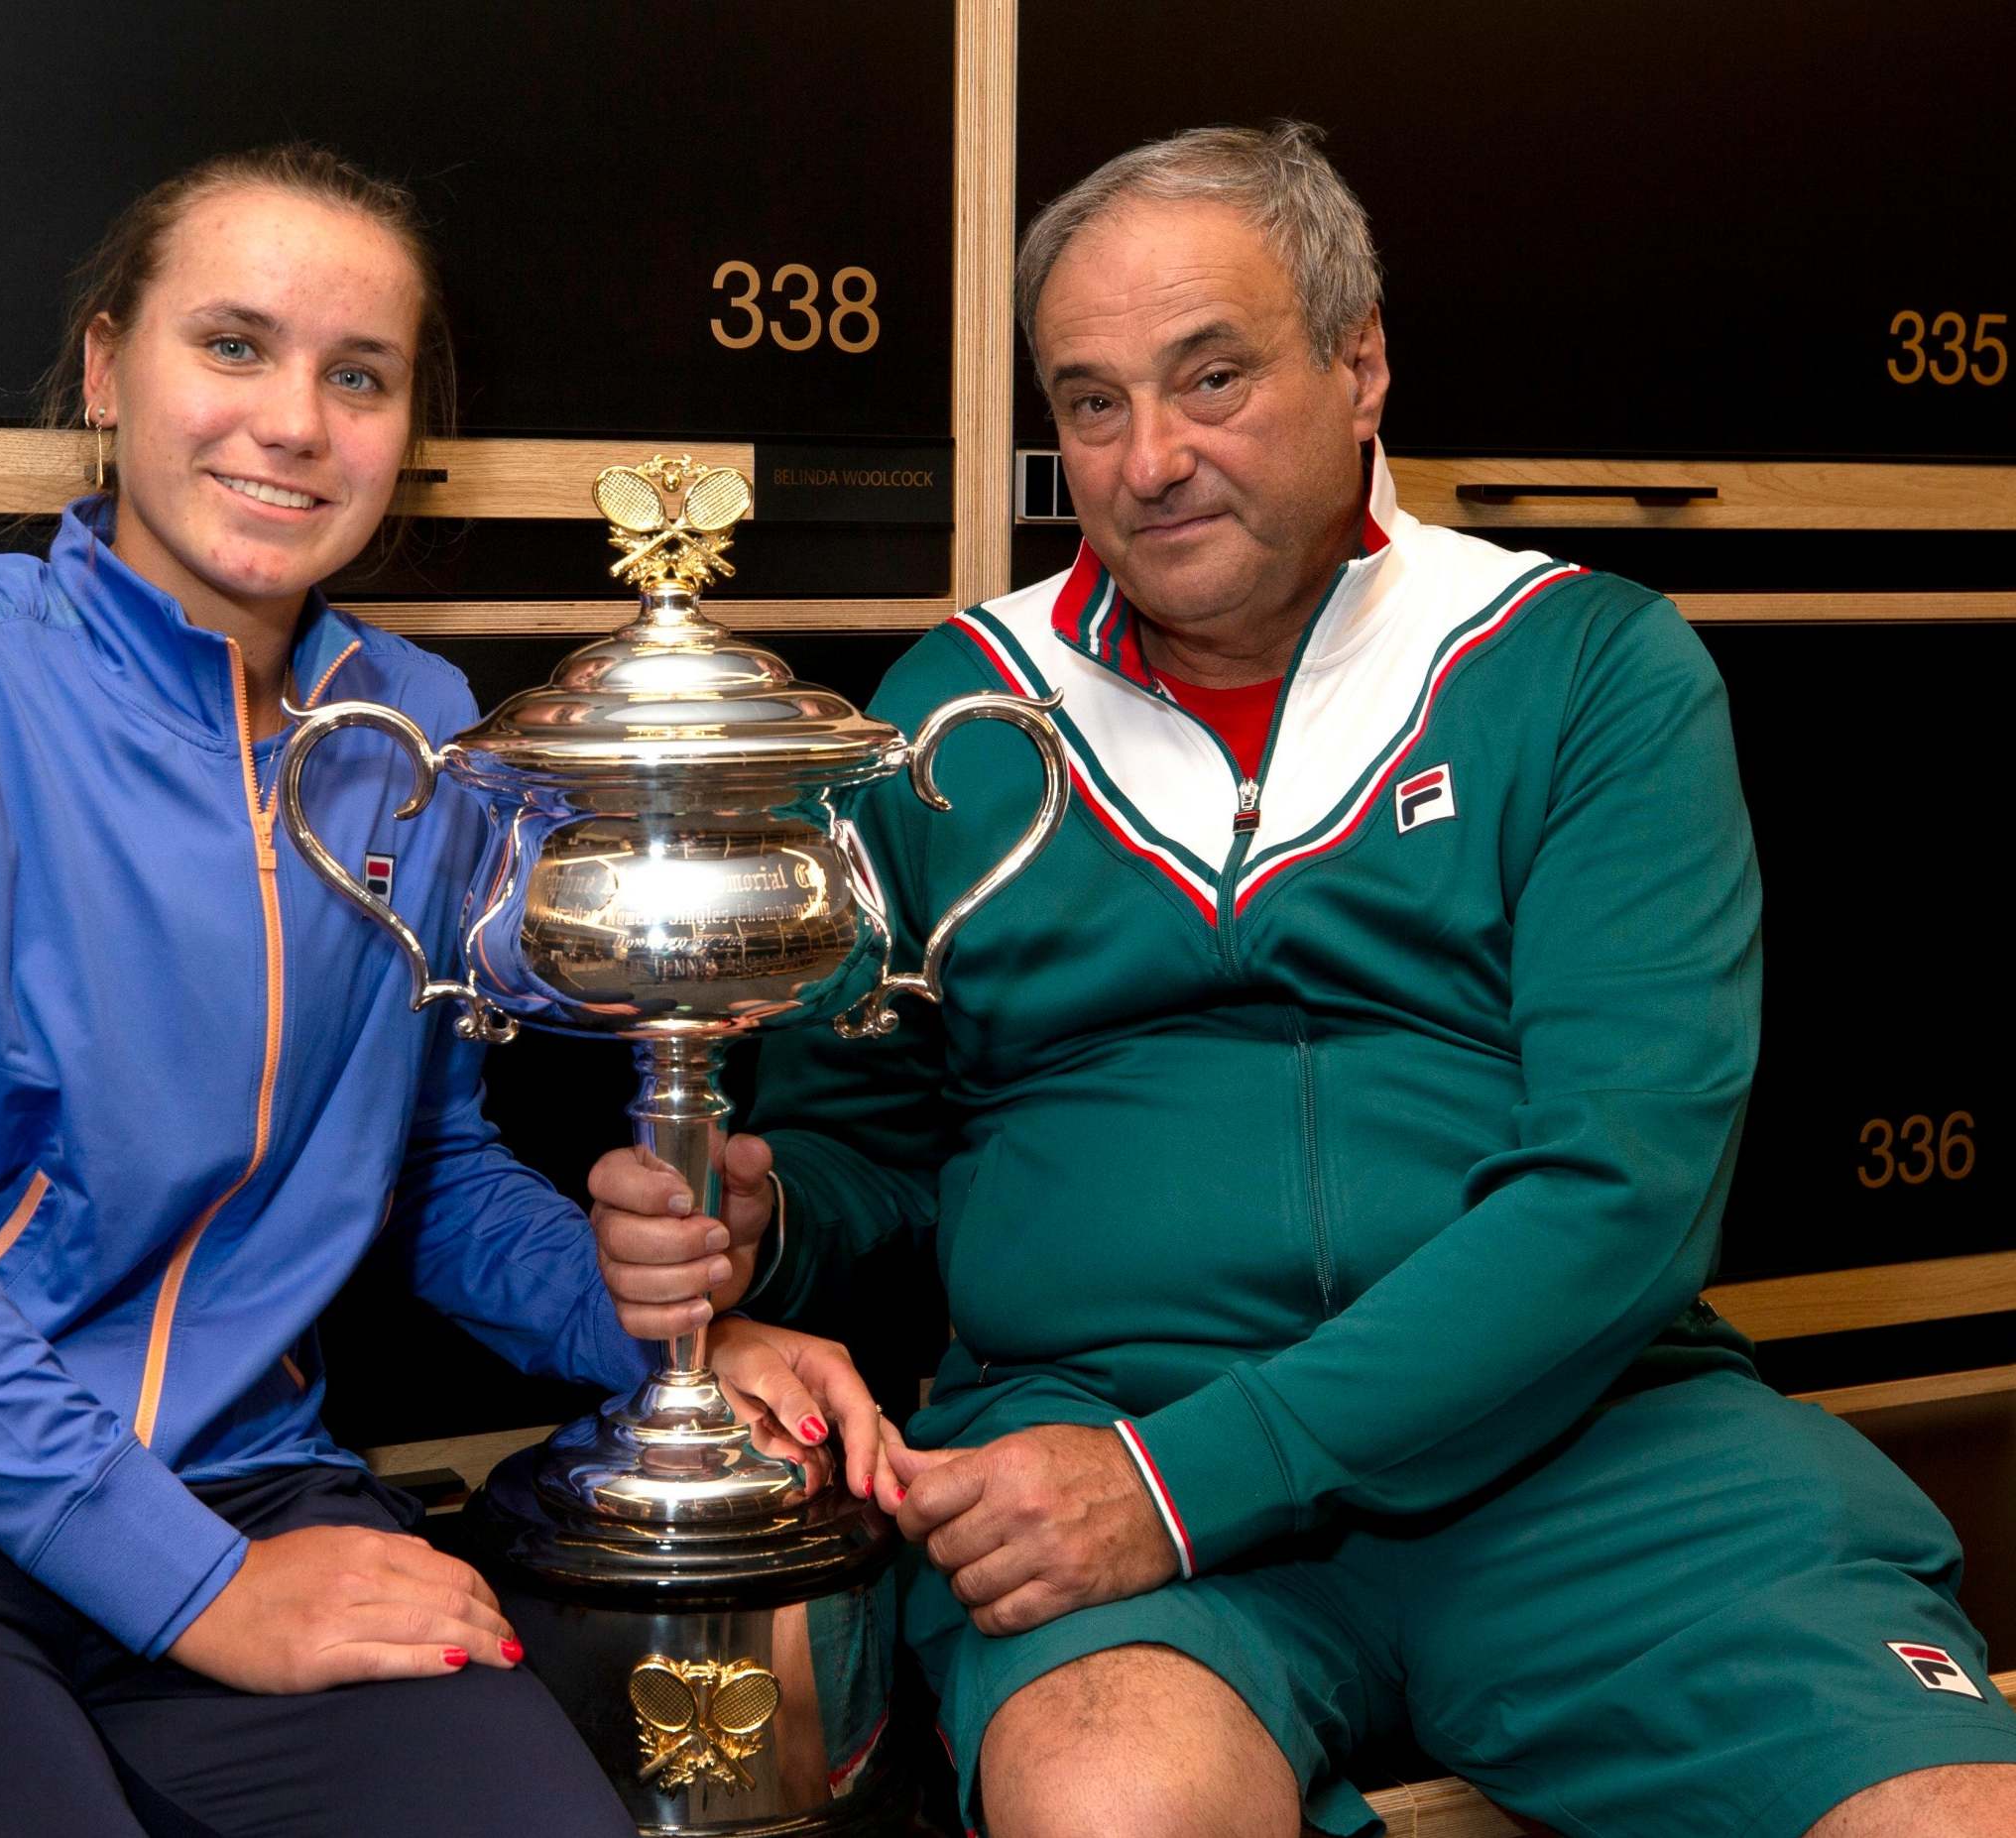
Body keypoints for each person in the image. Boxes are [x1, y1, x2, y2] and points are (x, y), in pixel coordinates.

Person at [587, 124, 2016, 1837]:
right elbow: (869, 1156)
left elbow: (1619, 1189)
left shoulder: (1585, 665)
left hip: (1575, 1438)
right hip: (1094, 1422)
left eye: (1213, 376)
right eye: (1094, 400)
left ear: (1361, 362)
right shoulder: (955, 714)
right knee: (1115, 1802)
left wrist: (1186, 1483)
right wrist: (756, 1227)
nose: (1153, 456)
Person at [0, 144, 880, 1837]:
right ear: (103, 369)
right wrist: (200, 1591)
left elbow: (427, 1179)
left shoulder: (424, 729)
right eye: (232, 345)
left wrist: (664, 1328)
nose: (293, 422)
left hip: (251, 1490)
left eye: (354, 374)